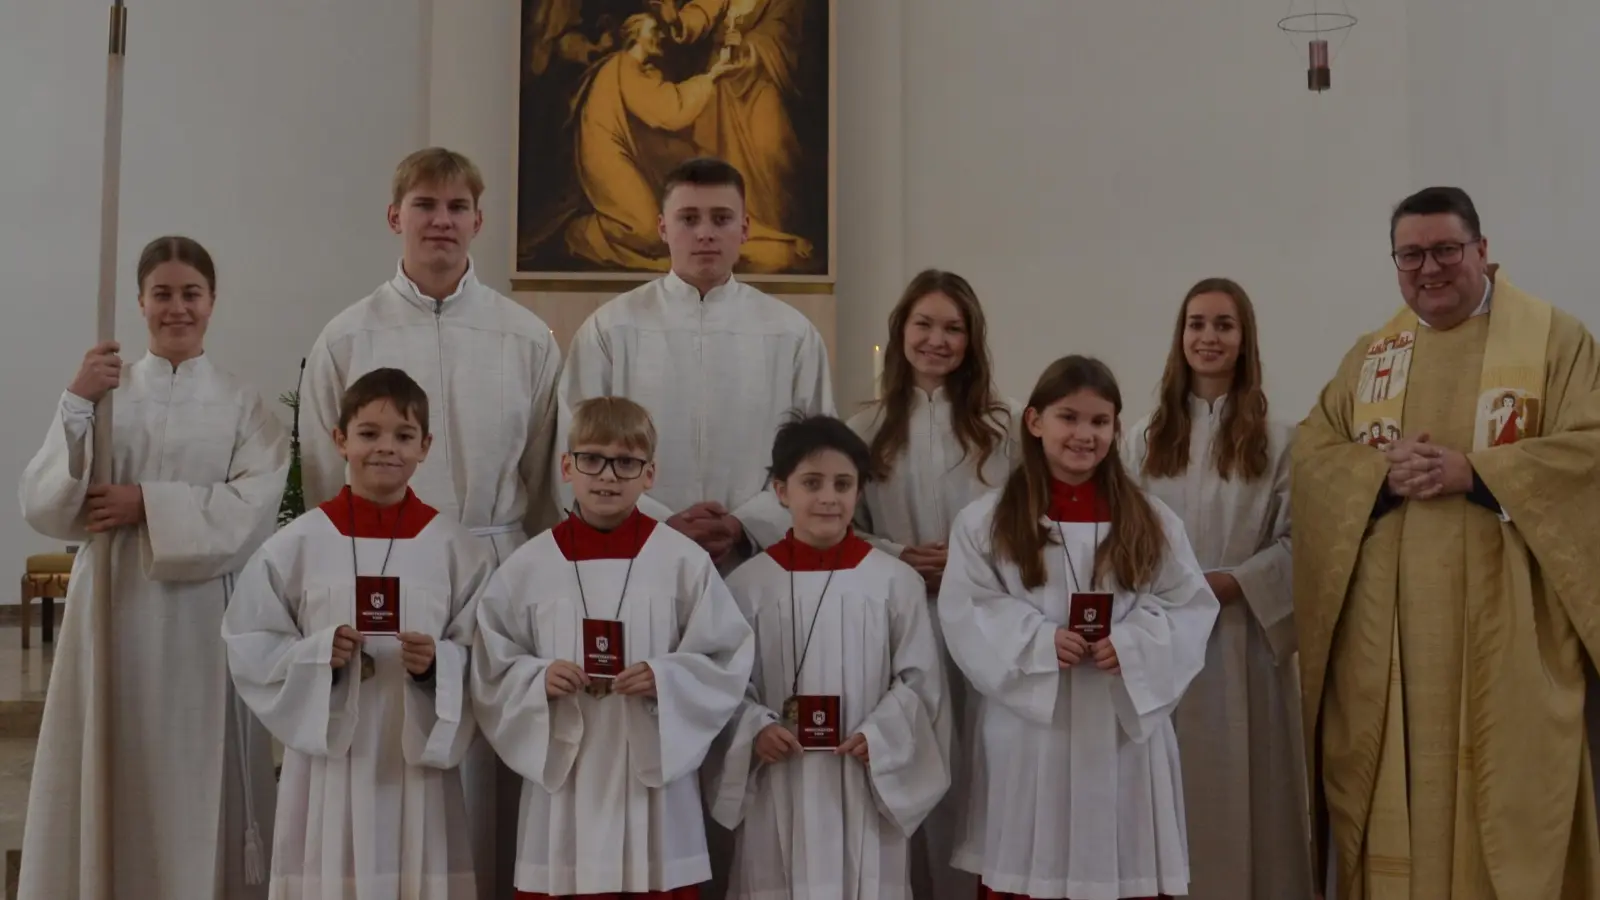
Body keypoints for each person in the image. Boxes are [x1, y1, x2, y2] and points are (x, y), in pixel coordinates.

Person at [1293, 185, 1600, 899]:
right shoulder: (1374, 354)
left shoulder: (1555, 340)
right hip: (1391, 637)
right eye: (1410, 255)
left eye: (1444, 251)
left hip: (1509, 628)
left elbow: (1591, 453)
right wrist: (1378, 474)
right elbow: (1313, 456)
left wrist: (1480, 471)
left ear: (1482, 252)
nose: (1428, 269)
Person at [299, 146, 563, 899]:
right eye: (425, 205)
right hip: (383, 584)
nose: (440, 221)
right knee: (395, 775)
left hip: (497, 569)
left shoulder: (526, 337)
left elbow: (546, 474)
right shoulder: (346, 337)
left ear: (479, 221)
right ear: (395, 218)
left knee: (492, 775)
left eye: (455, 208)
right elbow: (326, 476)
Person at [17, 236, 287, 899]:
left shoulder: (242, 404)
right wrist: (77, 404)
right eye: (162, 293)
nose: (177, 307)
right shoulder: (106, 392)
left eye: (190, 293)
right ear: (139, 301)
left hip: (202, 615)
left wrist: (147, 503)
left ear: (213, 302)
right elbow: (46, 503)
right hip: (111, 605)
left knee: (192, 775)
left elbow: (252, 508)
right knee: (112, 764)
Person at [938, 355, 1218, 900]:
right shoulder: (987, 520)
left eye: (1099, 422)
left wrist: (1134, 645)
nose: (1083, 435)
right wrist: (1040, 641)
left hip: (1122, 732)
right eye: (1069, 418)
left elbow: (1190, 607)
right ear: (1036, 422)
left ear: (1116, 429)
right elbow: (968, 609)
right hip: (1032, 734)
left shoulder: (1152, 519)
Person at [222, 367, 493, 897]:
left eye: (403, 435)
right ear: (340, 439)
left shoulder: (457, 549)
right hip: (329, 761)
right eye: (368, 433)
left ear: (425, 446)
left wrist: (438, 665)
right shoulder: (296, 545)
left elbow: (487, 653)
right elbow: (251, 644)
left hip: (414, 754)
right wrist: (318, 655)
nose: (385, 448)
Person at [471, 395, 755, 900]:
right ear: (567, 466)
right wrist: (537, 678)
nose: (607, 476)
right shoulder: (529, 565)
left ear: (650, 474)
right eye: (592, 459)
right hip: (569, 773)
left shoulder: (681, 561)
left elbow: (726, 657)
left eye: (626, 463)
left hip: (649, 774)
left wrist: (666, 677)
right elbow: (492, 662)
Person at [705, 413, 951, 899]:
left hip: (862, 777)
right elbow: (721, 684)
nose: (827, 498)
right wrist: (755, 729)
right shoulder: (748, 586)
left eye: (843, 484)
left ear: (859, 494)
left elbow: (921, 684)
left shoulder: (894, 583)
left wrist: (881, 736)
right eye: (811, 483)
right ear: (780, 491)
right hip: (780, 776)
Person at [1125, 278, 1311, 900]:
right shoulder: (1143, 437)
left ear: (1244, 339)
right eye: (1197, 324)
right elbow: (1118, 532)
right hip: (1161, 636)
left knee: (1246, 789)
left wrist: (1234, 583)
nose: (1208, 337)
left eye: (1223, 325)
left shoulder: (1281, 439)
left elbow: (1300, 542)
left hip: (1243, 638)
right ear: (1180, 338)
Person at [557, 155, 833, 573]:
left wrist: (745, 523)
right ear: (663, 227)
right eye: (688, 218)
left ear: (745, 229)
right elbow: (576, 446)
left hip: (758, 559)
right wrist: (662, 523)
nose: (705, 233)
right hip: (638, 554)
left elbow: (817, 456)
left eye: (721, 218)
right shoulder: (611, 328)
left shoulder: (792, 334)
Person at [845, 269, 1017, 900]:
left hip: (985, 624)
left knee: (979, 770)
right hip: (900, 622)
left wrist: (971, 558)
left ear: (972, 340)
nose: (937, 340)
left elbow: (1033, 523)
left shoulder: (1007, 428)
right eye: (924, 324)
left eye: (953, 328)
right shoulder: (864, 429)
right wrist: (898, 554)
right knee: (907, 765)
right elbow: (842, 527)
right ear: (901, 332)